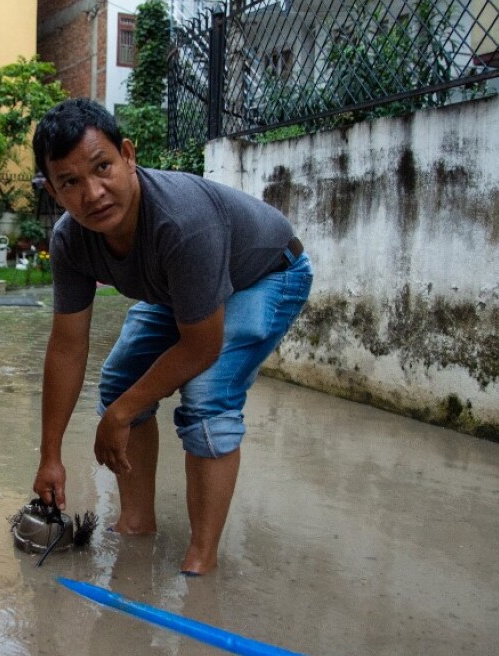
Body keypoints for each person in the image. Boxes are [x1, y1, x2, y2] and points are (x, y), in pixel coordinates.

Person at [30, 98, 313, 575]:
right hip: (180, 290)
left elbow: (202, 345)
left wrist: (122, 414)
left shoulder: (182, 221)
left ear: (127, 155)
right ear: (54, 192)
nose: (93, 193)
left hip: (266, 273)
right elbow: (67, 346)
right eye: (70, 183)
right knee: (120, 382)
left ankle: (202, 558)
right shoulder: (70, 240)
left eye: (102, 167)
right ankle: (136, 522)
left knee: (207, 398)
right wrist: (50, 455)